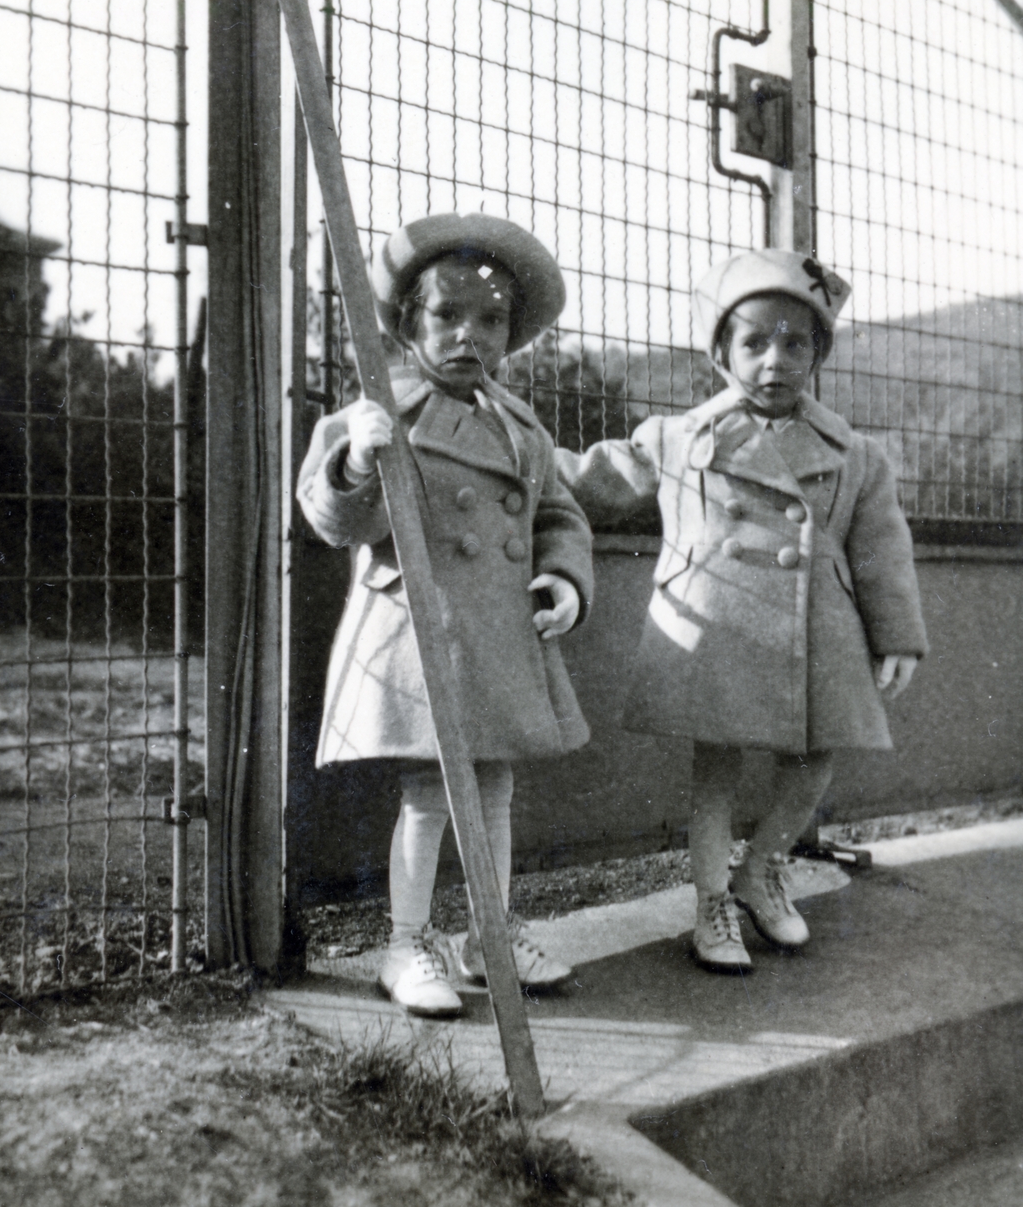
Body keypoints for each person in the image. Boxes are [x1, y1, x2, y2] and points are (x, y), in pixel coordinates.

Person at [556, 248, 928, 973]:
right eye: (754, 342)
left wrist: (898, 636)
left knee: (818, 752)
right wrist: (509, 454)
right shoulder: (678, 437)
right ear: (721, 351)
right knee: (716, 765)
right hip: (718, 617)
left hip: (819, 624)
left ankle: (762, 869)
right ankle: (711, 903)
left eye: (795, 343)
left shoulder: (855, 453)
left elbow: (881, 546)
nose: (774, 361)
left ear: (818, 351)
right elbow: (588, 480)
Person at [297, 213, 593, 1016]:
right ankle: (408, 941)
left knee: (492, 792)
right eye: (446, 316)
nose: (470, 335)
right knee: (432, 795)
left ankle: (488, 932)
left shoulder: (520, 424)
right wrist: (356, 456)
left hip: (500, 635)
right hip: (423, 633)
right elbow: (332, 520)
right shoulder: (385, 408)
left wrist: (564, 579)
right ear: (405, 322)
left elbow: (556, 513)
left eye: (490, 319)